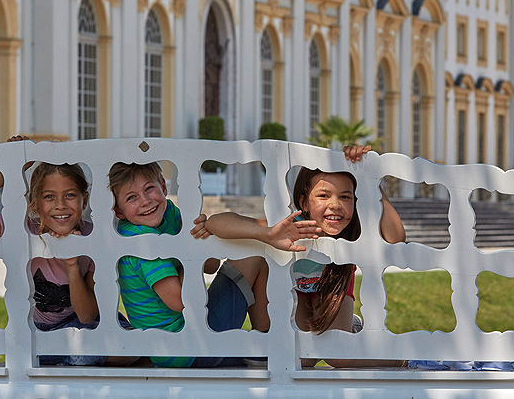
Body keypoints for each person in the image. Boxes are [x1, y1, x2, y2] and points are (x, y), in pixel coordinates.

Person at [198, 145, 406, 368]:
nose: (335, 205)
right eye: (323, 196)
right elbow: (214, 221)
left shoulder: (354, 235)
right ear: (304, 202)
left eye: (345, 197)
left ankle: (406, 359)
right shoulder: (290, 228)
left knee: (337, 355)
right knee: (300, 357)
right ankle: (266, 345)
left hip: (327, 294)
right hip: (287, 303)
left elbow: (395, 238)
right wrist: (267, 234)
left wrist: (370, 181)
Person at [0, 135, 137, 367]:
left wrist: (72, 265)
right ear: (35, 202)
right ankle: (72, 359)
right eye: (49, 197)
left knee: (132, 343)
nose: (60, 205)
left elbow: (87, 315)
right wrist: (9, 171)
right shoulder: (22, 229)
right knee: (78, 350)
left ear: (84, 199)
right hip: (42, 330)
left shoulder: (93, 237)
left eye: (70, 195)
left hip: (83, 323)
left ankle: (72, 359)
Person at [109, 161, 299, 368]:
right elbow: (180, 302)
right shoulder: (142, 241)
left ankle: (260, 349)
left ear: (163, 187)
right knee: (255, 258)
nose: (145, 201)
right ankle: (263, 349)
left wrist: (203, 238)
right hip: (188, 347)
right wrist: (190, 254)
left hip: (183, 344)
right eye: (131, 198)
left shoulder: (169, 214)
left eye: (149, 189)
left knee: (244, 247)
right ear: (118, 211)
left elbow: (210, 265)